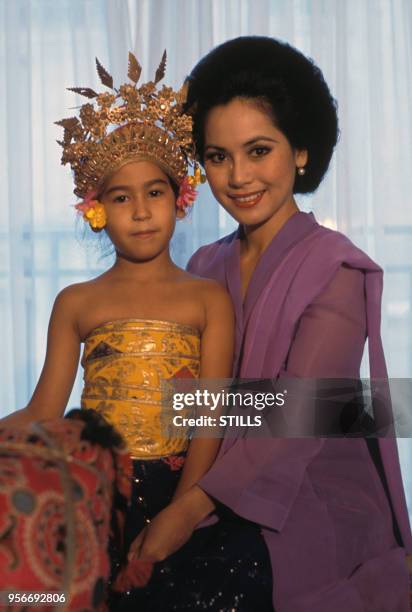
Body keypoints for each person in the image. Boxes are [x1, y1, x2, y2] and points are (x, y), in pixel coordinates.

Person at [2, 51, 274, 611]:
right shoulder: (77, 301)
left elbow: (210, 415)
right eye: (121, 198)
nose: (142, 211)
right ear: (96, 209)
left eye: (155, 192)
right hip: (97, 490)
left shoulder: (207, 298)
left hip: (183, 491)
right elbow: (45, 410)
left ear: (180, 199)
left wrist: (183, 508)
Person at [185, 36, 412, 612]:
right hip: (202, 475)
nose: (237, 177)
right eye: (218, 157)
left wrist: (183, 510)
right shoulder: (202, 265)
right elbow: (182, 404)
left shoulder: (337, 267)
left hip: (310, 499)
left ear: (301, 151)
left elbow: (297, 416)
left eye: (258, 150)